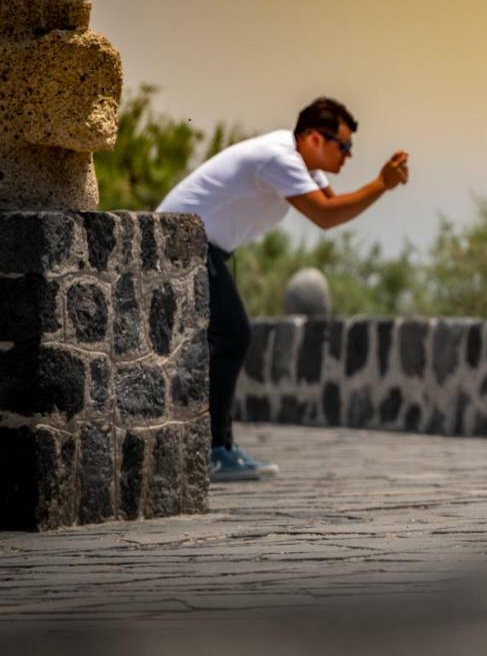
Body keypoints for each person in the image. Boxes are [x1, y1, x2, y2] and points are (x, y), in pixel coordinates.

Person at [158, 98, 410, 481]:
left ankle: (213, 446)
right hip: (180, 241)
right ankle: (212, 449)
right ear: (313, 138)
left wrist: (381, 185)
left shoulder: (300, 163)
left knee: (223, 338)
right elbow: (324, 217)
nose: (348, 155)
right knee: (233, 336)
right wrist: (381, 184)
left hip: (201, 246)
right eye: (343, 146)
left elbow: (331, 206)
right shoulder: (279, 158)